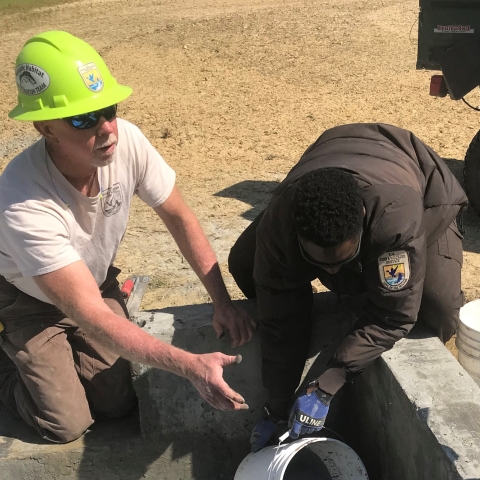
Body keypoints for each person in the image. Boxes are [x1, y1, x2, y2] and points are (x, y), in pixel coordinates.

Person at [0, 30, 256, 444]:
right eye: (83, 119)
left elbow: (179, 217)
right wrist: (189, 365)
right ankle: (10, 367)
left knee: (117, 403)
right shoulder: (22, 202)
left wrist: (222, 302)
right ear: (45, 128)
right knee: (66, 423)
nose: (107, 129)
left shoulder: (128, 141)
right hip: (29, 301)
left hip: (92, 285)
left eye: (108, 109)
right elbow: (92, 314)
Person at [228, 123, 468, 452]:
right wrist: (277, 406)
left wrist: (334, 375)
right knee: (245, 265)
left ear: (363, 222)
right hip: (333, 157)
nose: (331, 273)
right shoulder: (281, 222)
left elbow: (395, 315)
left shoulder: (392, 220)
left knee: (437, 308)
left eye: (343, 260)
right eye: (320, 266)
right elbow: (279, 317)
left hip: (424, 195)